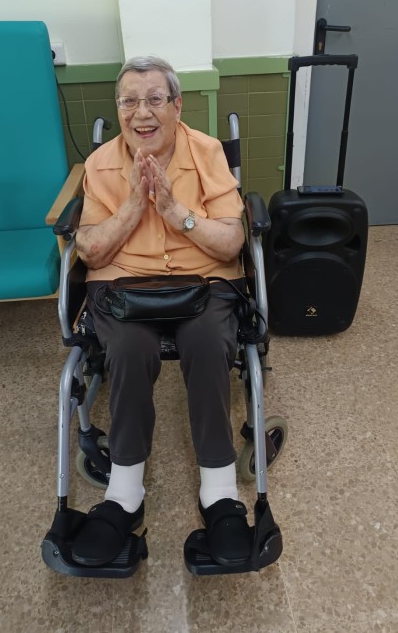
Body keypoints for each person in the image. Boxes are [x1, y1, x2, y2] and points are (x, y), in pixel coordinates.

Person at [71, 56, 252, 568]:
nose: (141, 113)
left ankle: (219, 490)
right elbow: (92, 252)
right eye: (129, 101)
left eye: (154, 99)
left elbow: (231, 242)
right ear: (118, 109)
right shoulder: (101, 164)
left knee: (208, 343)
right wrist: (134, 205)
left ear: (177, 106)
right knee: (128, 350)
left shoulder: (207, 152)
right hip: (122, 284)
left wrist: (175, 213)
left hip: (205, 279)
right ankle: (124, 493)